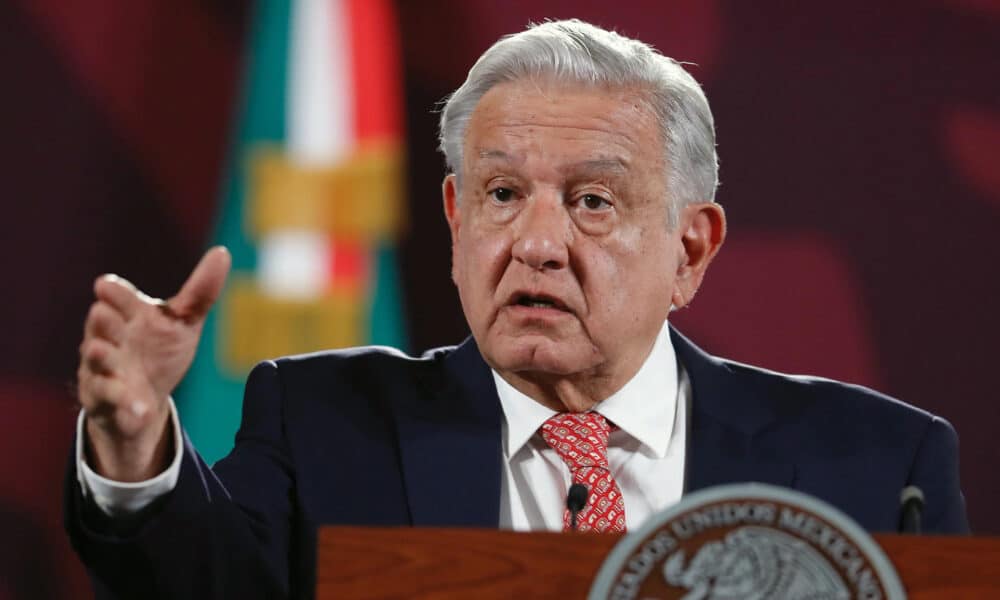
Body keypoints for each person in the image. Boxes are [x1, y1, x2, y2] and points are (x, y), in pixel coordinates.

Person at [67, 19, 969, 599]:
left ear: (690, 249)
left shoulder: (879, 466)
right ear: (457, 220)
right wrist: (136, 444)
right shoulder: (327, 424)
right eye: (502, 194)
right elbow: (196, 579)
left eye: (592, 202)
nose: (535, 243)